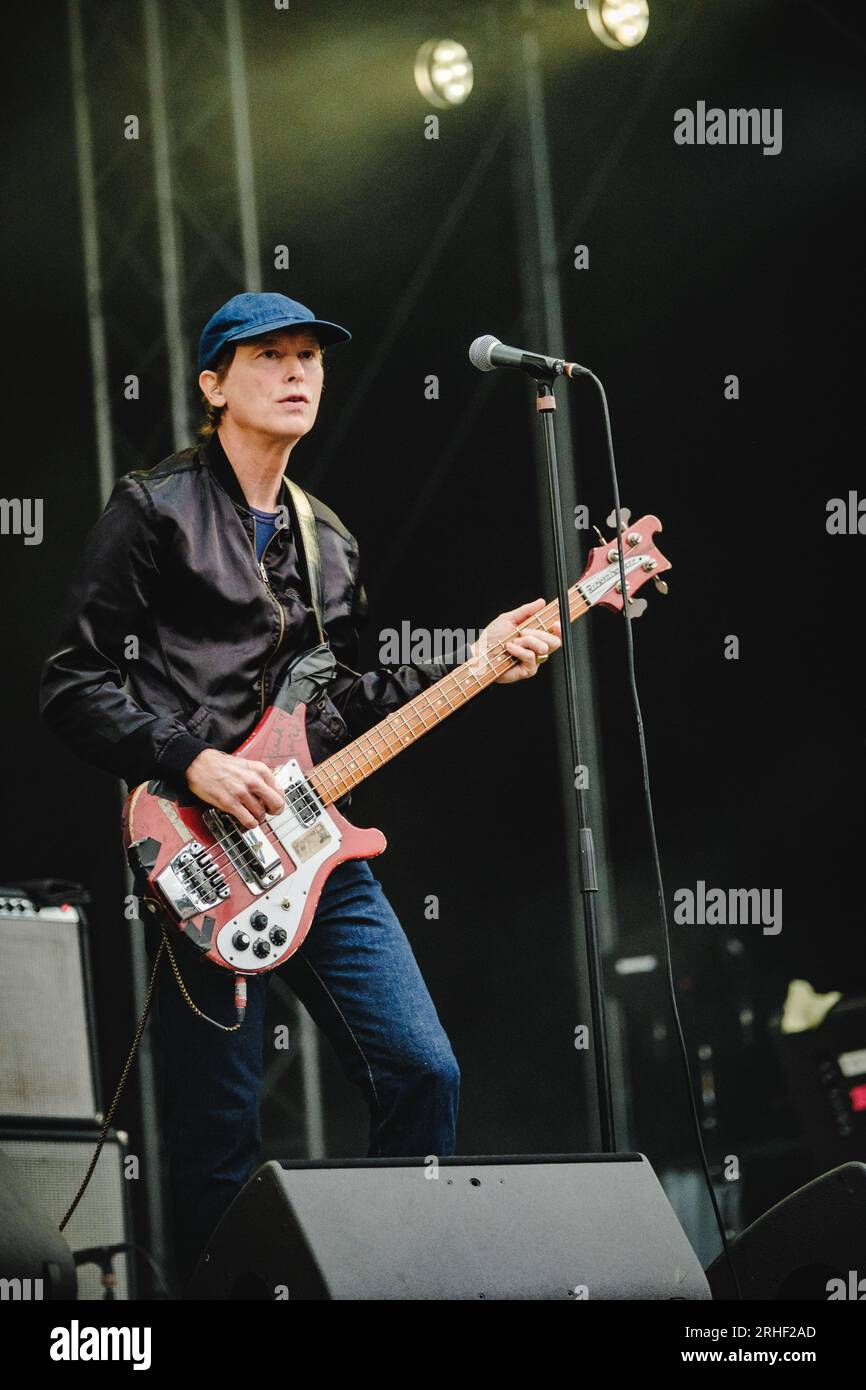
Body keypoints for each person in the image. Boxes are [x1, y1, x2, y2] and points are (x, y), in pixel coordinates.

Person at [38, 291, 562, 1292]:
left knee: (422, 1070)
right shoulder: (153, 509)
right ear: (211, 384)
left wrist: (476, 659)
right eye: (267, 355)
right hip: (197, 856)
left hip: (314, 846)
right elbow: (72, 683)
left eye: (309, 358)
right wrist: (189, 757)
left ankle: (393, 1279)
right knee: (220, 1139)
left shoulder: (330, 538)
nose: (294, 372)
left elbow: (342, 705)